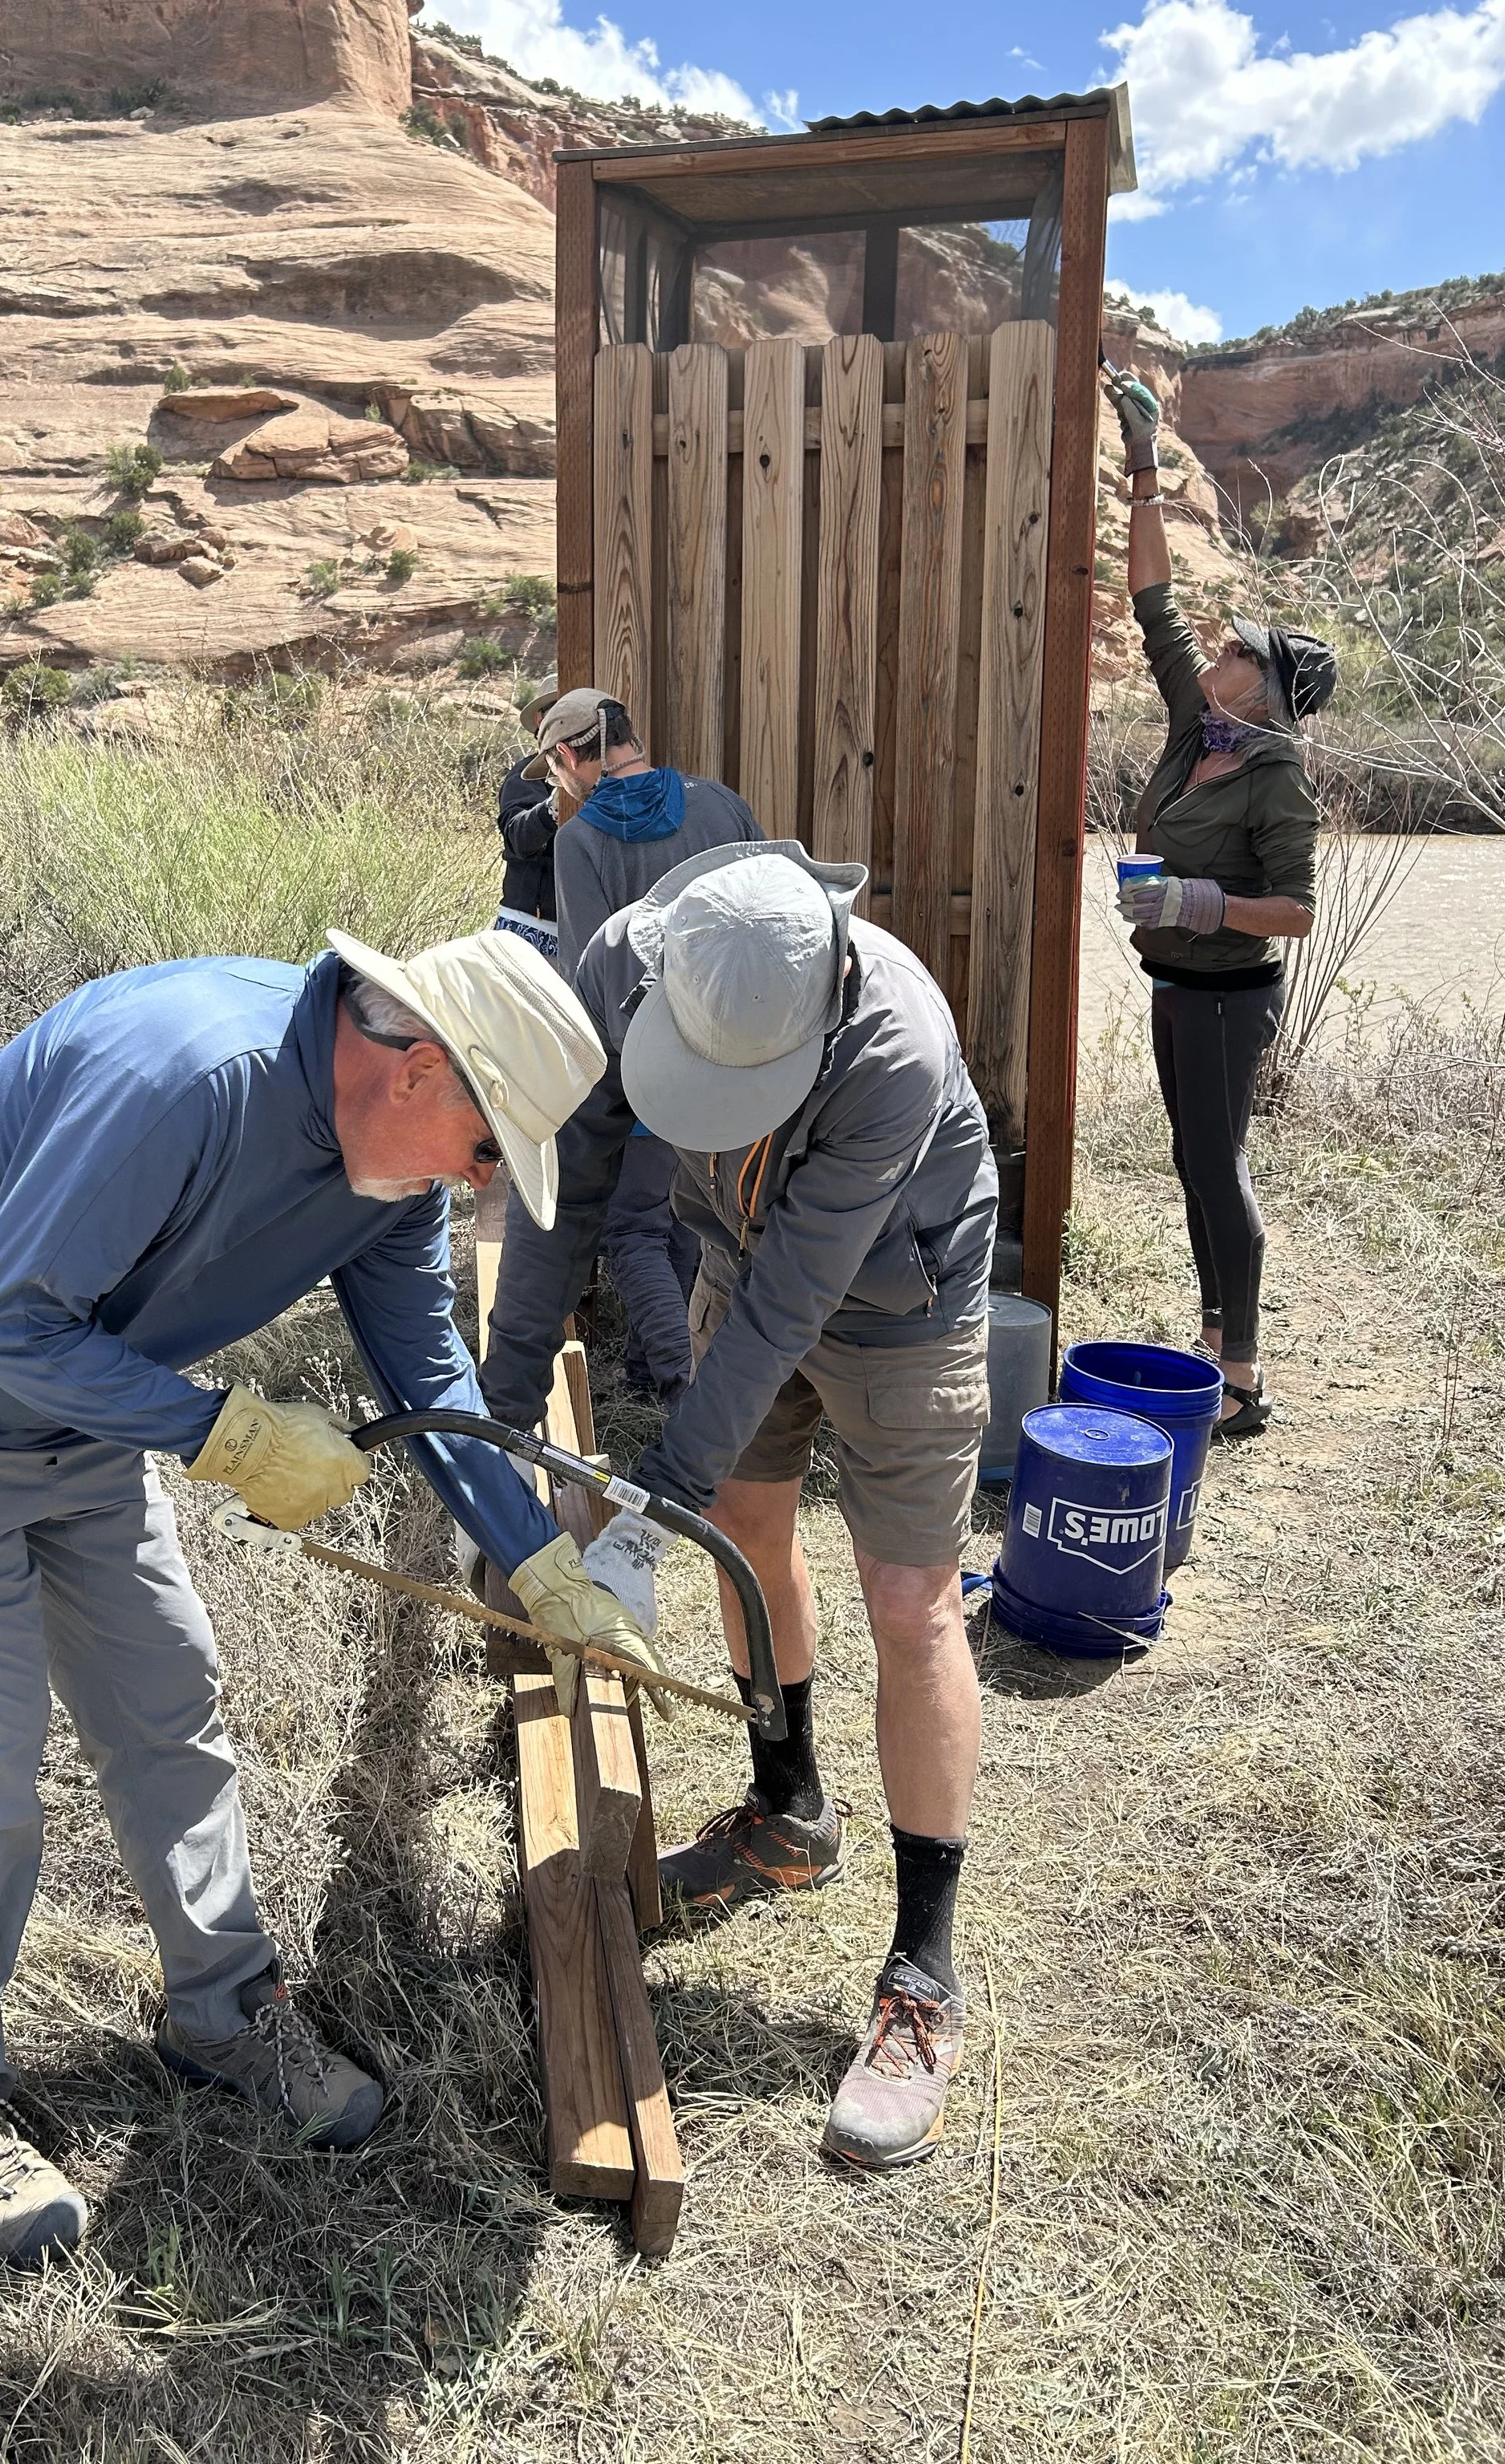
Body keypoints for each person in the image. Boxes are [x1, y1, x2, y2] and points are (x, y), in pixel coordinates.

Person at [0, 926, 648, 2265]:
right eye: (484, 1152)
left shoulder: (385, 1173)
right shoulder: (187, 1072)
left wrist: (533, 1556)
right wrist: (223, 1433)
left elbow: (426, 1370)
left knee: (169, 1697)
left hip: (70, 1405)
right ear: (416, 1071)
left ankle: (225, 2011)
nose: (479, 1190)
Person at [481, 841, 998, 2170]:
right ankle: (788, 1809)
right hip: (740, 1256)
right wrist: (495, 1411)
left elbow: (788, 1312)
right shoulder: (627, 960)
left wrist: (651, 1513)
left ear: (822, 997)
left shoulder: (894, 1044)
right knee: (750, 1533)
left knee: (911, 1595)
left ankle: (924, 1979)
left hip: (902, 1299)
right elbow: (569, 1188)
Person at [1104, 367, 1333, 1436]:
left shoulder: (1277, 776)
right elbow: (1154, 601)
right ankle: (1213, 1341)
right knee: (1194, 1163)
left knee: (1217, 1164)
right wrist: (1143, 464)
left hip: (1229, 996)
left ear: (1271, 689)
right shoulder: (1201, 727)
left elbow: (1294, 909)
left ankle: (1239, 1373)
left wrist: (1199, 902)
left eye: (1241, 653)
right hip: (1172, 981)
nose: (1222, 653)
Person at [532, 685, 763, 1403]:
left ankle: (680, 1380)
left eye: (553, 769)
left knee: (632, 1230)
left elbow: (589, 972)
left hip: (644, 1067)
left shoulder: (580, 841)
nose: (558, 784)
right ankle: (650, 1365)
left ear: (570, 754)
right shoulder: (719, 804)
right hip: (739, 1054)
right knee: (695, 1217)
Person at [493, 686, 563, 962]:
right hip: (531, 927)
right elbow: (518, 837)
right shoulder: (525, 776)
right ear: (541, 720)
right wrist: (554, 808)